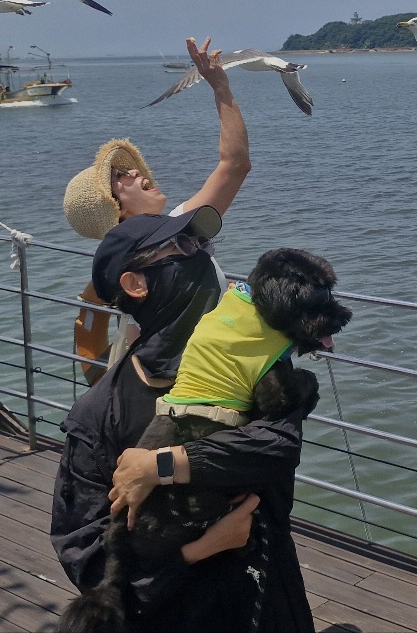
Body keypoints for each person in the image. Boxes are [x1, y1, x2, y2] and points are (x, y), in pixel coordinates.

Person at [50, 212, 315, 631]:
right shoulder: (99, 413)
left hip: (270, 595)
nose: (203, 258)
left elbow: (279, 447)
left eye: (204, 247)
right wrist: (202, 548)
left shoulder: (248, 367)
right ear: (135, 283)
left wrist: (161, 465)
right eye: (185, 249)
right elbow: (88, 559)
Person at [62, 35, 251, 383]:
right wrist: (220, 87)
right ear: (115, 210)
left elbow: (236, 164)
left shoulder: (170, 231)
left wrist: (221, 86)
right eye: (120, 178)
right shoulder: (173, 237)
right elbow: (234, 165)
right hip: (192, 381)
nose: (136, 172)